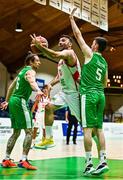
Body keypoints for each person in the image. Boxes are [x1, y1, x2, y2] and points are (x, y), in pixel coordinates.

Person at [69, 8, 109, 176]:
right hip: (101, 95)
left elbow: (78, 36)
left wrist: (71, 19)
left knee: (87, 130)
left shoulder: (90, 54)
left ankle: (88, 164)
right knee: (99, 129)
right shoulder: (105, 63)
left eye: (93, 43)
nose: (90, 44)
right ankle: (103, 161)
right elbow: (104, 83)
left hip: (89, 95)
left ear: (96, 46)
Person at [30, 34, 81, 148]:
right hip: (64, 93)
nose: (61, 42)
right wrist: (50, 84)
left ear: (70, 44)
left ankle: (101, 151)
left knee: (86, 125)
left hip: (74, 94)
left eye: (64, 40)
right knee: (48, 107)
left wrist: (40, 47)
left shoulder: (70, 53)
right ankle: (49, 139)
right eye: (59, 40)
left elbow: (53, 54)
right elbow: (59, 76)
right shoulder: (62, 61)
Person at [0, 52, 44, 170]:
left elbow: (10, 87)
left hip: (13, 101)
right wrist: (38, 90)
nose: (39, 62)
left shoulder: (20, 73)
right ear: (30, 62)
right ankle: (24, 160)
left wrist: (7, 101)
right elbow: (32, 81)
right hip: (21, 101)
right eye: (37, 60)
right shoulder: (31, 71)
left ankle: (6, 159)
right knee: (29, 131)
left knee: (16, 132)